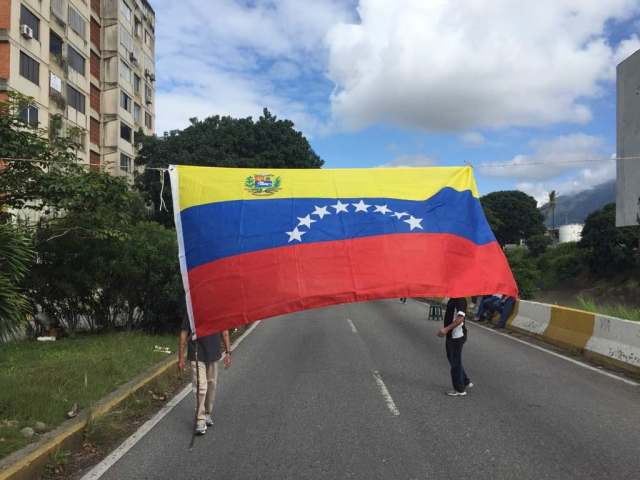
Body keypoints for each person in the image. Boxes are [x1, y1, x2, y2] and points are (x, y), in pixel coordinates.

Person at [178, 316, 232, 435]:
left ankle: (207, 413)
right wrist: (181, 357)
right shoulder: (191, 307)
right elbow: (184, 333)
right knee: (201, 387)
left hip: (213, 354)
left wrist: (228, 352)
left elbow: (225, 331)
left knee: (211, 385)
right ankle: (200, 419)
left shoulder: (218, 309)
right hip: (197, 354)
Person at [438, 297, 472, 397]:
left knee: (455, 362)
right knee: (453, 359)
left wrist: (446, 329)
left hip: (456, 336)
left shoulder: (460, 299)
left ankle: (459, 389)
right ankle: (465, 380)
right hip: (453, 335)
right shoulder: (454, 298)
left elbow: (460, 318)